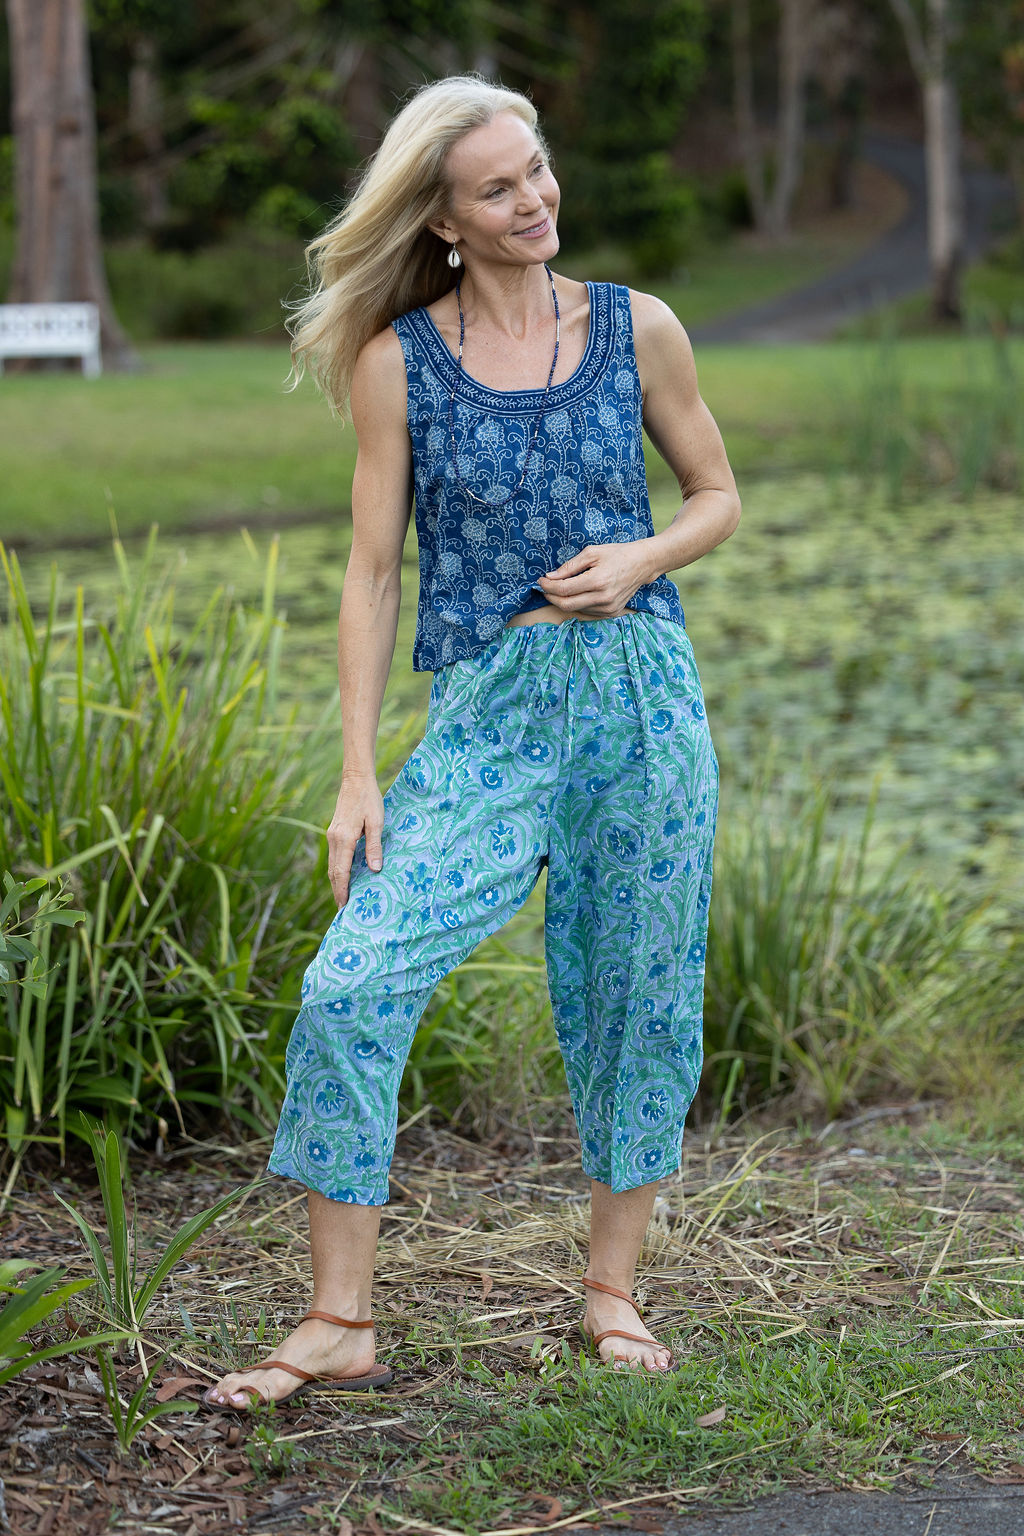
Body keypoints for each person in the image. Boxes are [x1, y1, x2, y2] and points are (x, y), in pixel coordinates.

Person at [204, 72, 740, 1412]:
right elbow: (372, 572)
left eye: (536, 171)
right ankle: (339, 1320)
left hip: (641, 704)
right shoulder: (399, 364)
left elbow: (716, 495)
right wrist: (356, 773)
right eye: (498, 189)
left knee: (637, 994)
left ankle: (612, 1293)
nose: (534, 200)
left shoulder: (639, 328)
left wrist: (642, 559)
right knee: (352, 982)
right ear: (442, 218)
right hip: (489, 720)